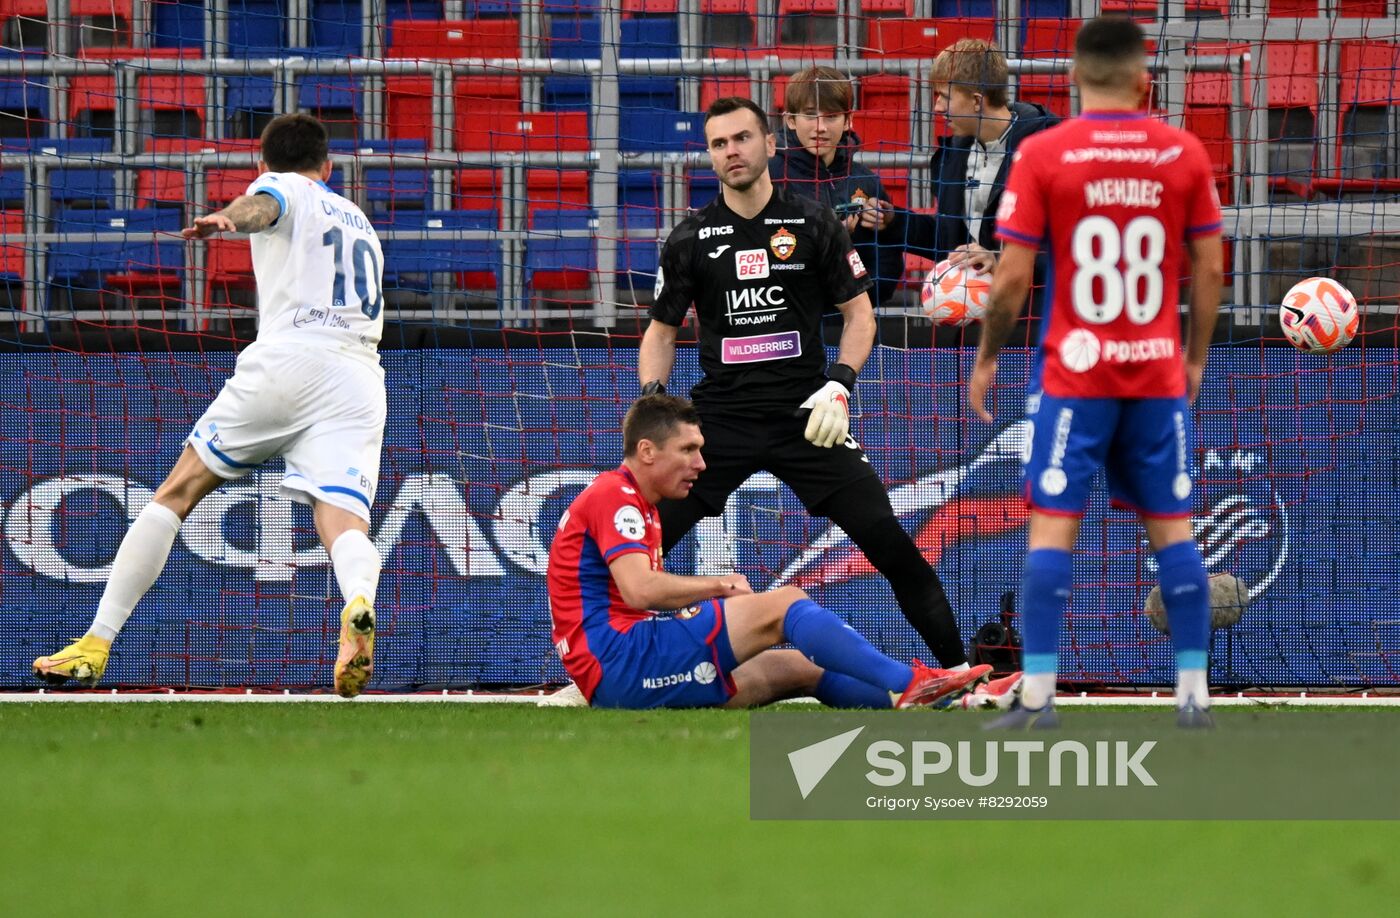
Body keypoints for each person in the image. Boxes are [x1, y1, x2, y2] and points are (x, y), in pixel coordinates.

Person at [639, 96, 1021, 710]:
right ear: (709, 155)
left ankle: (964, 680)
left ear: (770, 144)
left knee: (891, 544)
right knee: (642, 542)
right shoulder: (689, 239)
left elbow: (860, 316)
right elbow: (660, 332)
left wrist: (839, 385)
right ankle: (590, 670)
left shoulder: (813, 224)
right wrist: (653, 405)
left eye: (742, 138)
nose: (732, 151)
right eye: (719, 143)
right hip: (720, 423)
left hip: (809, 418)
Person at [33, 113, 387, 698]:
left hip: (290, 359)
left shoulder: (280, 186)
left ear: (261, 162)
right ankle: (358, 601)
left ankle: (95, 644)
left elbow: (264, 207)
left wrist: (228, 217)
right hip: (359, 377)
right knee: (344, 519)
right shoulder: (360, 220)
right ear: (328, 167)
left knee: (176, 493)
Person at [967, 16, 1225, 728]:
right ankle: (1194, 696)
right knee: (1172, 530)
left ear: (1075, 77)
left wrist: (987, 358)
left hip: (1075, 377)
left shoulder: (1045, 153)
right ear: (1144, 81)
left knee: (1053, 528)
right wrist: (1195, 358)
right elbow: (1209, 269)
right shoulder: (1182, 153)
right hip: (1155, 374)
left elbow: (1012, 276)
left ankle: (1039, 696)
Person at [546, 393, 994, 709]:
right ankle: (913, 682)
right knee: (785, 603)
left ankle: (958, 703)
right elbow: (640, 590)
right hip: (621, 660)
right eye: (689, 450)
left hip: (619, 671)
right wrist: (719, 585)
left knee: (798, 668)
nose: (701, 464)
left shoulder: (636, 500)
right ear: (647, 451)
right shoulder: (615, 495)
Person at [887, 39, 1058, 277]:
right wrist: (893, 221)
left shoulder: (1049, 150)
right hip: (972, 296)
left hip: (1032, 297)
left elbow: (1067, 243)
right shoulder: (952, 157)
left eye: (944, 97)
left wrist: (999, 261)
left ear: (977, 101)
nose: (937, 107)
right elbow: (946, 240)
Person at [769, 65, 905, 307]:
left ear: (848, 120)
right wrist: (828, 239)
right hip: (787, 317)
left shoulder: (865, 180)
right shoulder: (769, 177)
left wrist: (859, 304)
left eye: (831, 116)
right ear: (790, 120)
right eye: (810, 115)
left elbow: (887, 261)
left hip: (854, 318)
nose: (820, 127)